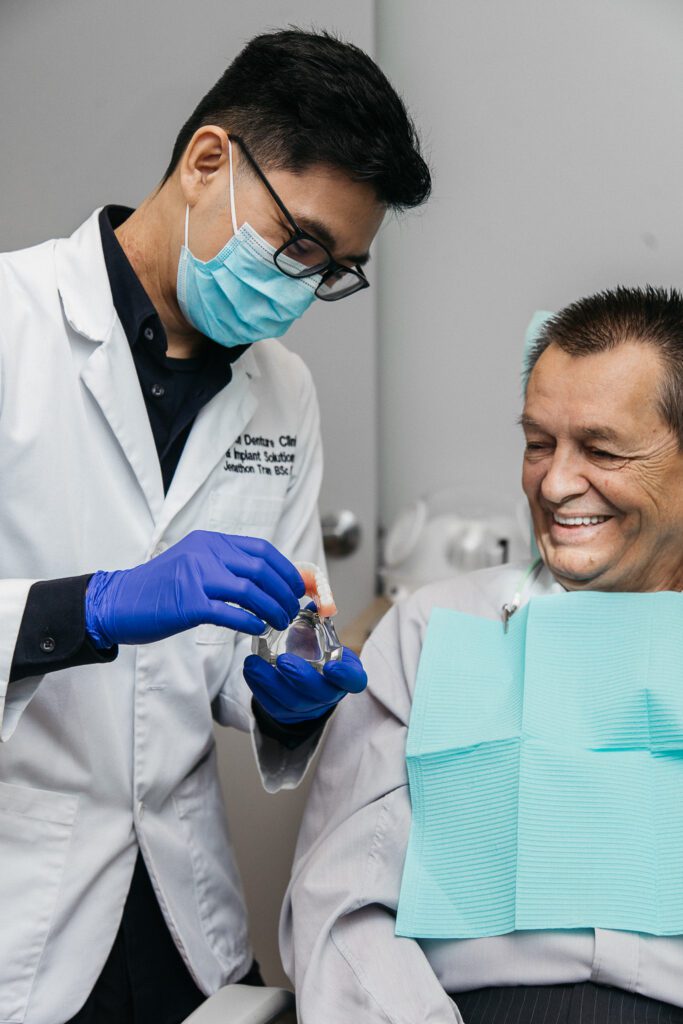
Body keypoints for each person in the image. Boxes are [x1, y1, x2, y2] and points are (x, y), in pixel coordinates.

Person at [0, 28, 431, 1024]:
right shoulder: (14, 326)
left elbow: (270, 632)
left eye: (336, 268)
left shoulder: (282, 391)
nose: (303, 286)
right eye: (300, 244)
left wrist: (289, 692)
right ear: (208, 163)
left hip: (184, 919)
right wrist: (94, 606)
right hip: (23, 903)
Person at [283, 286, 683, 1024]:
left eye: (600, 450)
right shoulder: (438, 629)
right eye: (538, 443)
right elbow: (342, 904)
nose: (555, 484)